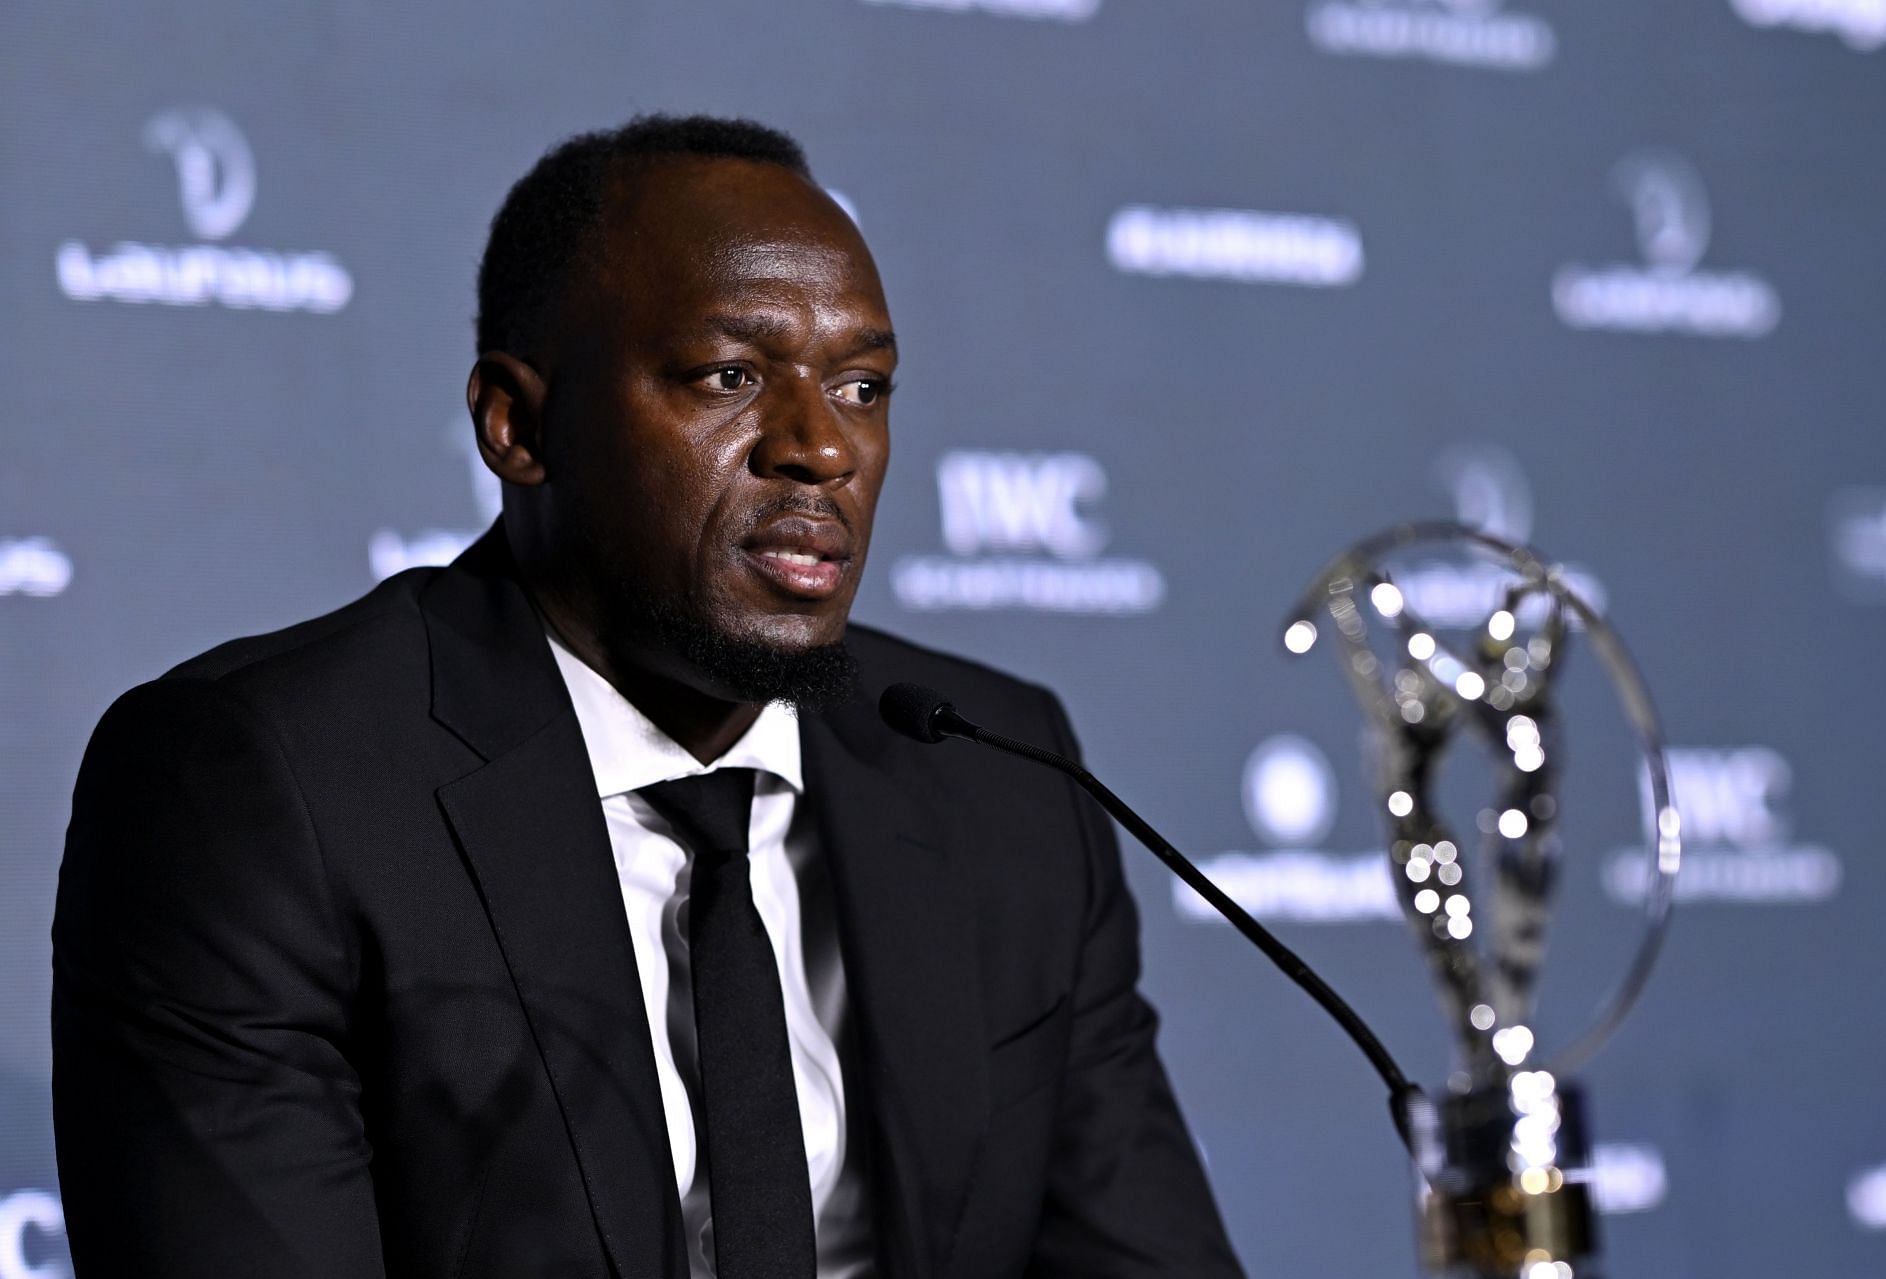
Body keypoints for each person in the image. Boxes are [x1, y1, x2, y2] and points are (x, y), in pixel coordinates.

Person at [52, 113, 1243, 1278]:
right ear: (518, 425)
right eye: (730, 375)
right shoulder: (267, 783)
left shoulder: (997, 773)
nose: (821, 448)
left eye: (864, 388)